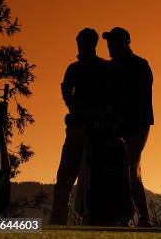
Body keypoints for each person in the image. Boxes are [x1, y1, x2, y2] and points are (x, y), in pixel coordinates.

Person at [51, 28, 109, 225]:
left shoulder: (98, 67)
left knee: (87, 179)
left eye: (83, 41)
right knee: (67, 178)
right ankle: (59, 220)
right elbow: (65, 89)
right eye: (80, 41)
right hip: (79, 127)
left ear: (91, 44)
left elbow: (67, 90)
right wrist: (74, 107)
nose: (80, 45)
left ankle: (87, 220)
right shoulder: (76, 68)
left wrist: (81, 109)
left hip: (94, 130)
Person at [102, 27, 154, 227]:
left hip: (136, 126)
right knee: (121, 168)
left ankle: (140, 217)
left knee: (129, 168)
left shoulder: (140, 65)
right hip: (116, 126)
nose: (110, 45)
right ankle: (127, 216)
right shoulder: (111, 67)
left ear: (125, 43)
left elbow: (139, 99)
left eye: (114, 42)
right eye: (109, 42)